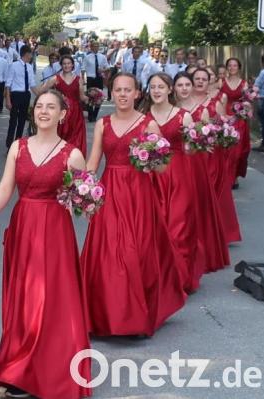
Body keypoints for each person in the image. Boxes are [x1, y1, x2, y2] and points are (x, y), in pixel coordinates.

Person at [0, 90, 91, 399]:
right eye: (39, 106)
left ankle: (49, 366)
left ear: (62, 114)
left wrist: (85, 202)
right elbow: (6, 186)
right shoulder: (19, 146)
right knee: (23, 296)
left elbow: (85, 196)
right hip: (24, 224)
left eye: (50, 107)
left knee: (49, 297)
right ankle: (19, 368)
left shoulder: (72, 154)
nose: (43, 111)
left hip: (55, 229)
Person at [80, 73, 186, 337]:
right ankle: (106, 315)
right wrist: (81, 190)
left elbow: (162, 167)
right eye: (118, 90)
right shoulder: (103, 124)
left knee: (135, 252)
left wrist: (151, 156)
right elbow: (93, 163)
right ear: (111, 93)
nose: (123, 94)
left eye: (128, 90)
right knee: (109, 252)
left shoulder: (148, 125)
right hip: (110, 191)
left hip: (138, 194)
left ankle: (135, 317)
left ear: (138, 93)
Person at [144, 72, 201, 293]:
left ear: (170, 90)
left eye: (161, 87)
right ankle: (161, 277)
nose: (156, 91)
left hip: (178, 175)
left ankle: (181, 278)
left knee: (179, 226)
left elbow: (191, 150)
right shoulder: (143, 116)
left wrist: (195, 141)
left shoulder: (183, 116)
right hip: (152, 177)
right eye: (153, 87)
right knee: (157, 227)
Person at [174, 72, 230, 274]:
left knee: (198, 204)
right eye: (180, 84)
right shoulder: (171, 110)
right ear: (174, 88)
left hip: (196, 163)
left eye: (187, 84)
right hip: (174, 165)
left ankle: (201, 250)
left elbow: (209, 141)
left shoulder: (203, 110)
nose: (185, 88)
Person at [190, 68, 241, 245]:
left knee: (211, 193)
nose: (200, 82)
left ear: (209, 81)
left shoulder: (214, 103)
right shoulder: (181, 103)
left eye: (204, 79)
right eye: (197, 78)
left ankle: (216, 232)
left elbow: (223, 125)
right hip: (189, 155)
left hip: (211, 155)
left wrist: (224, 134)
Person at [39, 55, 87, 154]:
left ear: (73, 65)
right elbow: (42, 91)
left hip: (75, 113)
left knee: (76, 137)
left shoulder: (78, 79)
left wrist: (93, 97)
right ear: (61, 65)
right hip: (61, 112)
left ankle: (73, 161)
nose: (67, 65)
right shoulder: (55, 79)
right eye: (64, 63)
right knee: (60, 134)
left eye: (69, 63)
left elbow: (82, 97)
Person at [218, 58, 251, 187]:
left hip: (239, 120)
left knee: (238, 151)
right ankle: (226, 176)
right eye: (230, 65)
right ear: (227, 68)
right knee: (225, 150)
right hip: (224, 118)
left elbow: (247, 102)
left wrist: (246, 109)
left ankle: (234, 176)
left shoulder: (244, 84)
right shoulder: (221, 82)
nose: (232, 68)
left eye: (235, 65)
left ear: (239, 67)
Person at [5, 45, 38, 149]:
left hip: (25, 95)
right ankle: (9, 144)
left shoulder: (29, 67)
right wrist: (8, 100)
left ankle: (17, 143)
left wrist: (41, 95)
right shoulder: (14, 65)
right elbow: (8, 84)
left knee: (22, 120)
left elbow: (32, 84)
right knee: (13, 121)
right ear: (27, 54)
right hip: (16, 95)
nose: (32, 56)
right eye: (31, 54)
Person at [83, 40, 109, 122]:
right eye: (94, 46)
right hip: (91, 78)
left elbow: (107, 67)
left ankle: (95, 114)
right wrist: (83, 78)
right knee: (90, 98)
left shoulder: (102, 57)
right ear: (91, 47)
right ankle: (90, 114)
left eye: (97, 46)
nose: (95, 47)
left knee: (99, 97)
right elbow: (83, 69)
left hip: (99, 78)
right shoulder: (87, 57)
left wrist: (103, 70)